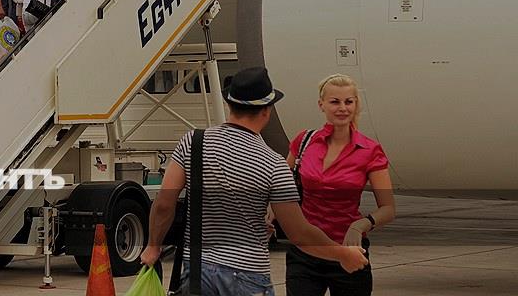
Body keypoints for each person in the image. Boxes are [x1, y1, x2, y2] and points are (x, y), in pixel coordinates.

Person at [140, 67, 368, 295]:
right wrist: (342, 253)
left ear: (229, 104)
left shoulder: (193, 142)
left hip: (199, 274)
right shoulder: (273, 163)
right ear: (266, 111)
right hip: (249, 275)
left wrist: (153, 246)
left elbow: (164, 204)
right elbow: (299, 232)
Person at [284, 74, 395, 296]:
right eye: (335, 102)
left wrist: (360, 225)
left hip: (349, 251)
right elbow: (282, 187)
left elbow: (388, 208)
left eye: (348, 102)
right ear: (321, 105)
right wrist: (270, 210)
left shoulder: (370, 150)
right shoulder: (304, 141)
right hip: (305, 251)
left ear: (356, 104)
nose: (342, 108)